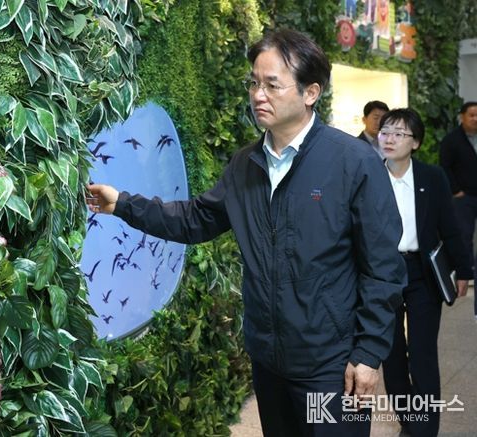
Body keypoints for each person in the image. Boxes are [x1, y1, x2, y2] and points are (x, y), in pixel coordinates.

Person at [87, 29, 406, 436]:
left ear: (310, 92)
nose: (258, 95)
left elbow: (383, 267)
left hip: (329, 365)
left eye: (272, 84)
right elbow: (195, 219)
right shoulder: (245, 165)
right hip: (268, 361)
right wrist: (122, 204)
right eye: (254, 83)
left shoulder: (353, 162)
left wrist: (369, 351)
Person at [379, 108, 471, 437]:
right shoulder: (368, 175)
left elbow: (450, 225)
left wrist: (464, 269)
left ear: (415, 142)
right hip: (382, 274)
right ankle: (409, 421)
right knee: (391, 356)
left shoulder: (432, 177)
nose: (389, 139)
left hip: (421, 271)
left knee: (422, 355)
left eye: (399, 133)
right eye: (385, 131)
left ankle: (425, 430)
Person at [439, 101, 477, 321]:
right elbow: (444, 166)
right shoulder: (452, 140)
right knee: (464, 233)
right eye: (472, 115)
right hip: (464, 196)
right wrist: (456, 190)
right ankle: (465, 272)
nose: (475, 119)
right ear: (462, 117)